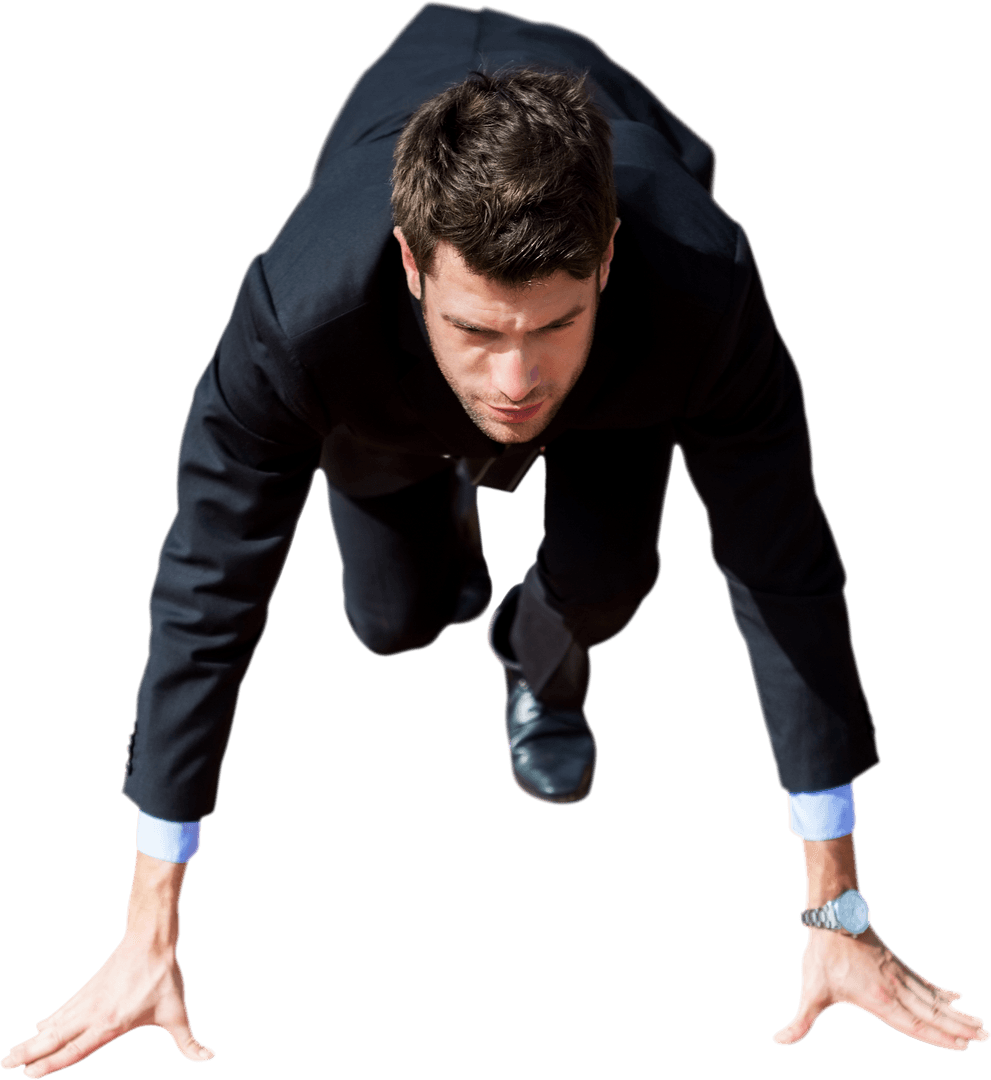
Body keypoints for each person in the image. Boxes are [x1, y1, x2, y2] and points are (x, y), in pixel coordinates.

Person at [2, 4, 986, 1075]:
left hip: (623, 385)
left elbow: (782, 561)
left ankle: (533, 660)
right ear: (413, 267)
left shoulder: (701, 289)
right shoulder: (302, 317)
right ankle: (445, 502)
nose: (514, 381)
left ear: (606, 259)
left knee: (609, 581)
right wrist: (151, 927)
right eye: (478, 330)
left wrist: (836, 910)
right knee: (392, 619)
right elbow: (207, 585)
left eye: (548, 325)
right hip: (383, 402)